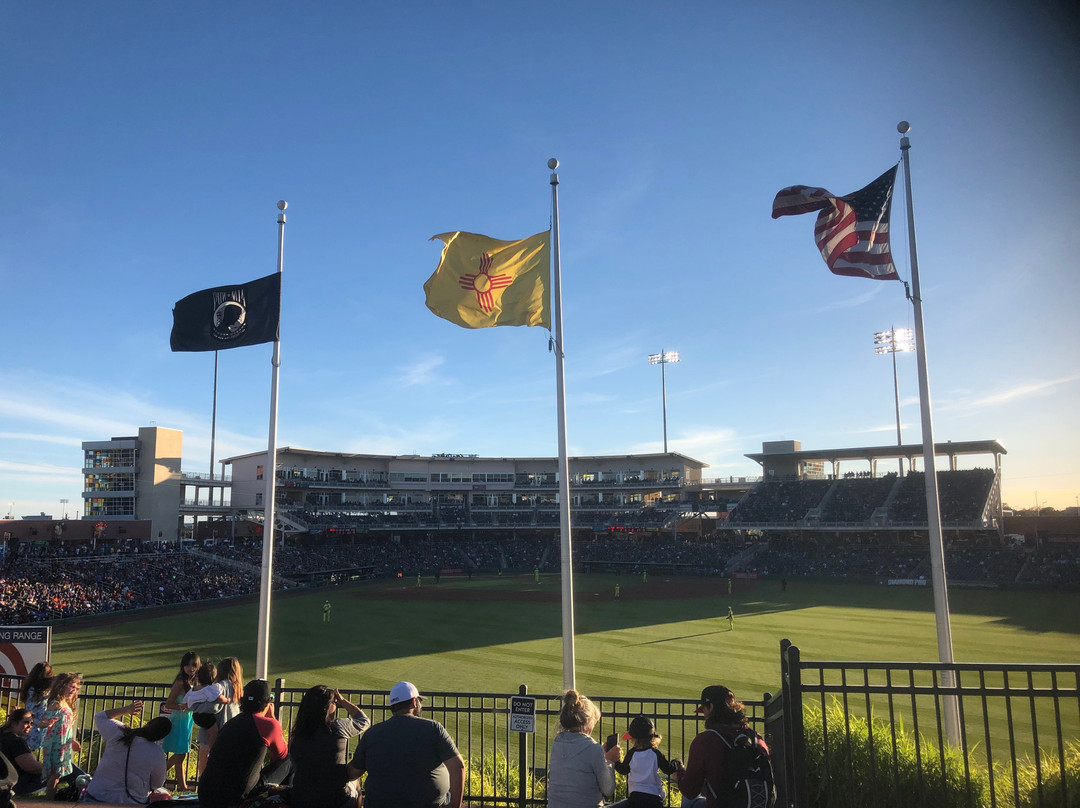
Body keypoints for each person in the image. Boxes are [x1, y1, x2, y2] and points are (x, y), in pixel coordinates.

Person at [347, 681, 463, 808]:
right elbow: (458, 766)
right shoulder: (433, 728)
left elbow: (352, 772)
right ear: (414, 702)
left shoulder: (372, 733)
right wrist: (453, 806)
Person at [674, 685, 772, 808]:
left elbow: (690, 791)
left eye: (704, 709)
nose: (704, 715)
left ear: (711, 707)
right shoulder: (756, 738)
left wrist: (679, 774)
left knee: (689, 801)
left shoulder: (705, 740)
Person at [197, 679, 290, 808]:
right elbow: (281, 755)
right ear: (268, 703)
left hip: (206, 793)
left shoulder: (232, 723)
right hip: (238, 797)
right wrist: (272, 718)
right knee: (289, 760)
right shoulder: (269, 725)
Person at [289, 685, 369, 808]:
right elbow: (364, 721)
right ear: (326, 708)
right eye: (334, 703)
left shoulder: (296, 735)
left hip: (301, 799)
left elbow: (296, 766)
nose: (336, 705)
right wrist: (342, 701)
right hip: (335, 800)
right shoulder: (338, 728)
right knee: (355, 784)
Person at [83, 701, 170, 804]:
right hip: (131, 801)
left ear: (148, 724)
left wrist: (127, 709)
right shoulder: (157, 753)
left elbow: (100, 716)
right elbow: (157, 784)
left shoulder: (119, 732)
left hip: (96, 796)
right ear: (161, 738)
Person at [546, 689, 621, 808]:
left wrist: (602, 756)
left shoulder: (557, 742)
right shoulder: (594, 748)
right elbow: (608, 790)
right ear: (589, 722)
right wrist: (610, 761)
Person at [612, 716, 679, 808]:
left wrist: (616, 761)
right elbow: (668, 769)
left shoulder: (632, 753)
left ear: (633, 738)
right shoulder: (656, 753)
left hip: (635, 797)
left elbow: (624, 770)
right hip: (654, 798)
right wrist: (677, 763)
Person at [39, 671, 83, 800]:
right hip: (55, 742)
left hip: (63, 742)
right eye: (71, 687)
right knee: (55, 774)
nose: (73, 691)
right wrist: (47, 723)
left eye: (75, 689)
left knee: (57, 774)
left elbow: (67, 727)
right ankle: (49, 800)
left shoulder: (66, 703)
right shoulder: (56, 703)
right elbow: (42, 722)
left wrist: (72, 741)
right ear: (62, 685)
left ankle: (50, 799)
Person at [162, 650, 200, 791]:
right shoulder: (180, 683)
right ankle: (157, 774)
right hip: (179, 720)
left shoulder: (194, 682)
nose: (191, 668)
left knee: (181, 754)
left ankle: (182, 786)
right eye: (188, 665)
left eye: (194, 665)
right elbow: (168, 704)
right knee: (180, 754)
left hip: (187, 720)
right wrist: (182, 707)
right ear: (183, 666)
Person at [0, 708, 44, 795]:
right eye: (26, 722)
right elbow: (31, 767)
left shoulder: (2, 735)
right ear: (13, 723)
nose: (30, 726)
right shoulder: (16, 741)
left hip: (4, 780)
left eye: (31, 723)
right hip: (14, 784)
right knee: (64, 770)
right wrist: (51, 767)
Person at [18, 660, 53, 752]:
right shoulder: (34, 690)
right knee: (31, 749)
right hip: (35, 724)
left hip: (38, 724)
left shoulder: (31, 688)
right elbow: (30, 707)